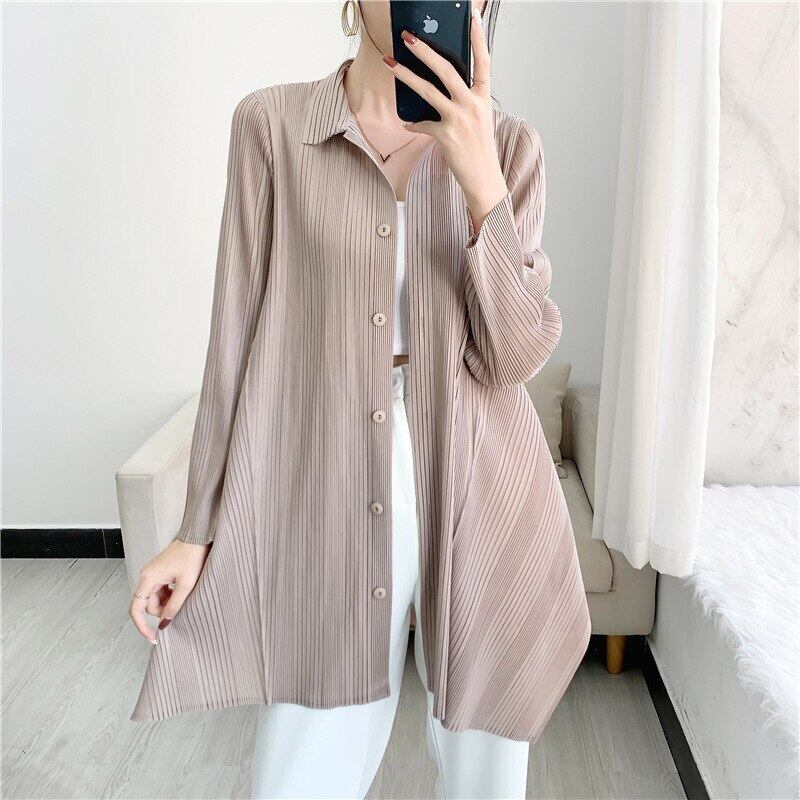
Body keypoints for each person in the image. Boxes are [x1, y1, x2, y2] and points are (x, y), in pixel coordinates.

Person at [128, 2, 590, 798]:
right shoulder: (273, 128)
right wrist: (195, 529)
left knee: (486, 767)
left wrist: (481, 184)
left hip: (481, 471)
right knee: (306, 760)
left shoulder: (510, 147)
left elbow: (512, 357)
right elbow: (233, 338)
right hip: (326, 460)